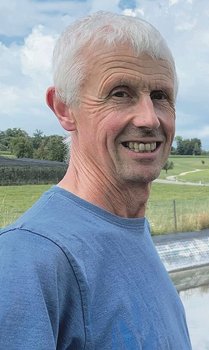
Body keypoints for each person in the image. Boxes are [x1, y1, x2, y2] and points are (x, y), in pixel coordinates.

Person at [0, 11, 192, 349]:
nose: (149, 118)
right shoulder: (27, 259)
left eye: (160, 95)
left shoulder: (132, 231)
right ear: (63, 108)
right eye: (120, 93)